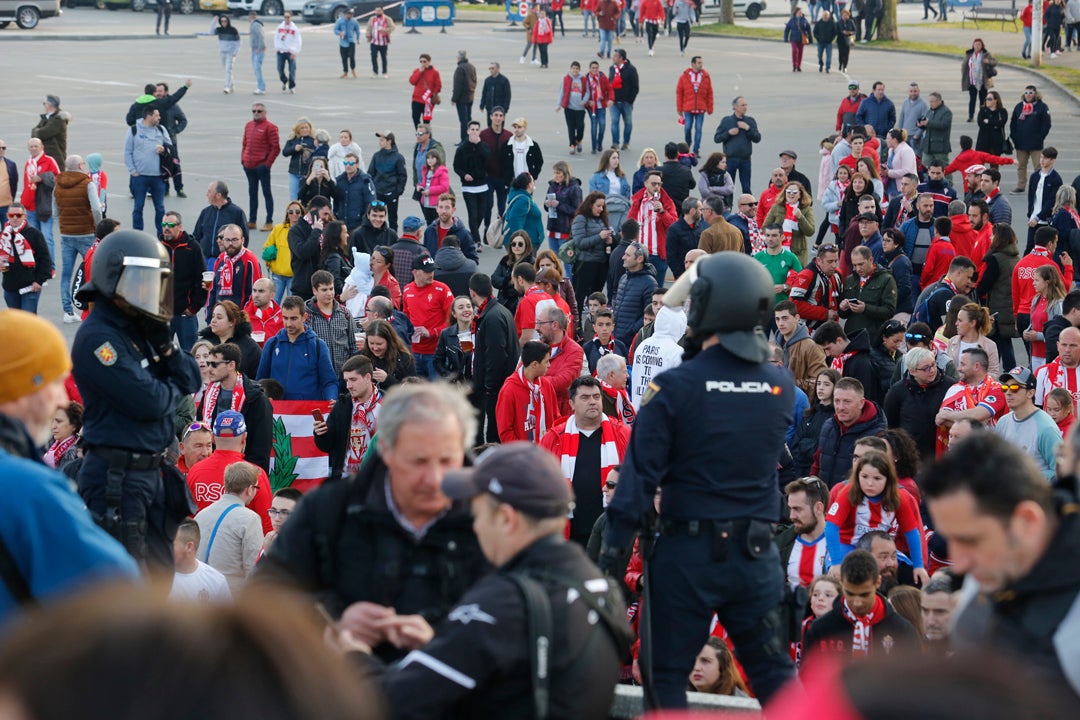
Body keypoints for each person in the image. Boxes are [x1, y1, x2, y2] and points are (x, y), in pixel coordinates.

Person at [601, 253, 796, 708]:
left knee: (664, 678)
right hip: (755, 553)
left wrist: (609, 569)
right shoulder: (778, 387)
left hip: (686, 552)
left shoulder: (673, 389)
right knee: (775, 677)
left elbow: (634, 489)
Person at [369, 442, 630, 717]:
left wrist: (353, 651)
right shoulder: (601, 588)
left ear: (506, 519)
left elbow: (387, 702)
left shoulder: (503, 604)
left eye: (478, 514)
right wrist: (443, 644)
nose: (474, 526)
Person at [72, 230, 202, 572]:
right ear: (114, 282)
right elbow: (152, 402)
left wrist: (167, 346)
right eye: (141, 281)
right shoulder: (99, 338)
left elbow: (191, 378)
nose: (149, 291)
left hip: (151, 473)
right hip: (118, 477)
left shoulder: (142, 329)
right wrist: (169, 385)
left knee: (159, 579)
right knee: (127, 588)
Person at [0, 309, 138, 623]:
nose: (62, 399)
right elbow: (115, 591)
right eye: (57, 382)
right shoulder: (26, 486)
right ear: (25, 388)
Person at [926, 431, 1080, 701]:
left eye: (970, 540)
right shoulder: (988, 576)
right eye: (951, 539)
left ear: (1027, 522)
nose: (959, 564)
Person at [540, 375, 630, 546]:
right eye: (585, 397)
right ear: (572, 404)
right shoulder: (553, 439)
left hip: (612, 530)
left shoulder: (622, 434)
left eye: (596, 397)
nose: (592, 402)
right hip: (570, 532)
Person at [802, 550, 919, 658]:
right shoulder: (821, 629)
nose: (857, 603)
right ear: (842, 582)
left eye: (864, 595)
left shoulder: (901, 629)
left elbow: (912, 677)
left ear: (878, 582)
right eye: (850, 594)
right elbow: (808, 676)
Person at [193, 460, 265, 595]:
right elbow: (254, 568)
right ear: (249, 490)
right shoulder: (250, 519)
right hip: (230, 600)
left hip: (198, 596)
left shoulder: (202, 515)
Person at [313, 354, 382, 483]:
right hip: (345, 479)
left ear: (368, 377)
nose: (348, 385)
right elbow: (326, 446)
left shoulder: (386, 404)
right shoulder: (342, 405)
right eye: (346, 381)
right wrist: (320, 434)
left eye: (353, 379)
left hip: (376, 479)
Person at [469, 273, 520, 443]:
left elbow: (496, 355)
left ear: (472, 293)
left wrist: (489, 386)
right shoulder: (498, 311)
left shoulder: (491, 317)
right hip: (501, 385)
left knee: (495, 434)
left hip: (497, 388)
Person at [256, 296, 337, 401]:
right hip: (277, 413)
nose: (289, 324)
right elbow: (260, 381)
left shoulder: (318, 346)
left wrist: (331, 398)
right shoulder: (272, 344)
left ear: (304, 317)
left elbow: (329, 382)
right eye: (285, 318)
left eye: (293, 318)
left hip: (307, 413)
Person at [995, 366, 1061, 480]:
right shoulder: (1002, 422)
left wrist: (1026, 478)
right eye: (1005, 387)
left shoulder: (1046, 428)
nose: (1009, 392)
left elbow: (1060, 471)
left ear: (1030, 393)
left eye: (1015, 388)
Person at [776, 476, 830, 591]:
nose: (791, 516)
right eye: (790, 509)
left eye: (797, 509)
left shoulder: (840, 544)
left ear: (818, 508)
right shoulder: (781, 542)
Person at [1, 203, 52, 313]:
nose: (15, 218)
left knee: (28, 322)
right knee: (16, 323)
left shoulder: (34, 234)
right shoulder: (4, 235)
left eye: (18, 215)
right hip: (10, 286)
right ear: (7, 215)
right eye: (11, 215)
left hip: (31, 286)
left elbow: (46, 260)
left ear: (25, 216)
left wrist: (39, 281)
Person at [169, 519, 232, 603]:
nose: (164, 547)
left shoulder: (216, 581)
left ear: (189, 547)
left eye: (171, 543)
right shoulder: (152, 577)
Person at [241, 103, 279, 232]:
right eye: (254, 111)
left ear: (265, 112)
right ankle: (252, 220)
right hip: (249, 166)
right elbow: (244, 144)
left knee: (266, 192)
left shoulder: (270, 127)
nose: (256, 113)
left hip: (261, 166)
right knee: (252, 193)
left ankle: (269, 221)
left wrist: (267, 164)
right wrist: (243, 160)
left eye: (259, 111)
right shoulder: (248, 125)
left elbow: (275, 148)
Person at [1009, 86, 1052, 194]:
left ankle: (1039, 185)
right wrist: (1014, 137)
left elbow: (1046, 124)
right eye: (1026, 92)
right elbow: (1013, 123)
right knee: (1021, 166)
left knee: (1038, 166)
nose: (1028, 94)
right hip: (1020, 143)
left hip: (1035, 144)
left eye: (1031, 92)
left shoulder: (1042, 107)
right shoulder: (1019, 107)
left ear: (1035, 94)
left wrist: (1040, 137)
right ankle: (1021, 186)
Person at [789, 242, 841, 331]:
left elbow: (837, 300)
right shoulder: (806, 275)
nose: (834, 265)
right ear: (819, 260)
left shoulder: (837, 274)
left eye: (836, 261)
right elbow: (794, 305)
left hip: (830, 330)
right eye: (830, 261)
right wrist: (825, 313)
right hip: (807, 332)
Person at [714, 96, 761, 194]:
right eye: (742, 105)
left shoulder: (750, 121)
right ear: (735, 106)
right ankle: (728, 207)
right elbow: (717, 138)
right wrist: (728, 133)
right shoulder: (726, 121)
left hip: (745, 159)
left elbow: (757, 138)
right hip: (730, 159)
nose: (745, 107)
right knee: (729, 187)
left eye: (746, 105)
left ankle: (748, 207)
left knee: (746, 186)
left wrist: (747, 128)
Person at [675, 56, 713, 158]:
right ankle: (687, 145)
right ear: (693, 64)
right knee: (687, 128)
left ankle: (696, 150)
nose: (701, 64)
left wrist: (710, 107)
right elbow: (679, 93)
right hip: (688, 107)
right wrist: (679, 108)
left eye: (701, 62)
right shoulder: (685, 76)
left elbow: (709, 92)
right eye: (699, 62)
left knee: (699, 129)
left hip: (701, 108)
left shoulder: (705, 76)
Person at [361, 319, 416, 389]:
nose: (375, 348)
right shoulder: (361, 357)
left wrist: (387, 379)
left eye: (379, 344)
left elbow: (412, 389)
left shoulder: (404, 359)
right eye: (371, 343)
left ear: (389, 342)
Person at [433, 295, 475, 384]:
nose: (466, 310)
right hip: (454, 386)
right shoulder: (446, 334)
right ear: (454, 313)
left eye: (469, 306)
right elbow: (438, 361)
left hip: (474, 386)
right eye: (461, 307)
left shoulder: (480, 332)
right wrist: (450, 378)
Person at [608, 49, 639, 151]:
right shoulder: (612, 69)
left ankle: (626, 142)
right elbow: (609, 84)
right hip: (614, 102)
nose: (613, 58)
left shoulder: (630, 69)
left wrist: (630, 100)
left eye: (616, 56)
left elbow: (635, 87)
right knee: (614, 121)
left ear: (621, 58)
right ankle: (615, 143)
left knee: (628, 123)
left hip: (626, 102)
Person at [409, 54, 442, 128]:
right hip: (416, 99)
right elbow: (412, 81)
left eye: (425, 61)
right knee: (415, 118)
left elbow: (438, 86)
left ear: (429, 62)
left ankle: (428, 138)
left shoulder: (435, 73)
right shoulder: (417, 71)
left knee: (426, 121)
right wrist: (419, 72)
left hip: (427, 101)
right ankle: (419, 135)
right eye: (421, 61)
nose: (423, 63)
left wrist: (433, 93)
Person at [274, 12, 302, 93]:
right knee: (280, 69)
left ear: (291, 17)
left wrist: (295, 52)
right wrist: (277, 47)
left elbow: (298, 41)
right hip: (281, 51)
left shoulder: (294, 29)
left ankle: (292, 86)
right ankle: (284, 80)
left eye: (288, 17)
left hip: (290, 52)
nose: (286, 18)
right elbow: (276, 38)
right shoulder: (280, 27)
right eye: (285, 17)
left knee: (292, 70)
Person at [365, 5, 395, 78]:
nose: (377, 12)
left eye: (379, 10)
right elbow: (368, 28)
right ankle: (375, 72)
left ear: (382, 11)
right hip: (374, 42)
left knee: (384, 58)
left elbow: (392, 27)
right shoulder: (372, 19)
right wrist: (368, 35)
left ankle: (384, 72)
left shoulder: (387, 18)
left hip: (383, 42)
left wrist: (384, 30)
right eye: (376, 10)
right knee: (373, 57)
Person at [333, 8, 361, 79]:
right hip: (343, 42)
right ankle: (345, 72)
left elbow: (357, 30)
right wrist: (340, 33)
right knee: (344, 58)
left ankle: (353, 69)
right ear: (345, 14)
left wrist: (358, 38)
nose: (350, 15)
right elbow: (335, 30)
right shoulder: (340, 21)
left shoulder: (354, 21)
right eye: (349, 14)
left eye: (351, 14)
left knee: (351, 57)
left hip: (351, 41)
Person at [783, 8, 812, 73]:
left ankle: (799, 66)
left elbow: (808, 30)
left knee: (800, 53)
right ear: (796, 13)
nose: (800, 13)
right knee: (795, 51)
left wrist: (810, 39)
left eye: (801, 12)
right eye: (799, 12)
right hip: (794, 38)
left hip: (802, 39)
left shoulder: (804, 20)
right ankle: (794, 65)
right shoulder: (792, 20)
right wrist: (785, 38)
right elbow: (787, 29)